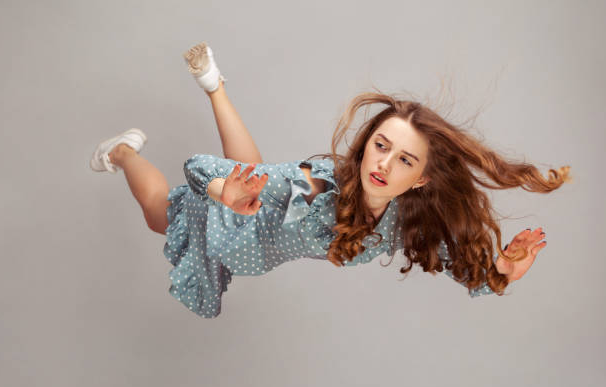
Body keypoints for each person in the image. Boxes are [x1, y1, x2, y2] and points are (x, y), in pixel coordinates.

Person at [90, 42, 572, 318]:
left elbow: (456, 264)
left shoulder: (407, 220)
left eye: (405, 161)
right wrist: (223, 194)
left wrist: (502, 272)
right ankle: (123, 150)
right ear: (366, 147)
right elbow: (197, 169)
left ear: (423, 179)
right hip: (237, 216)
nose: (383, 165)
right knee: (161, 213)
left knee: (253, 174)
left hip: (257, 218)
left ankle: (214, 85)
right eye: (380, 147)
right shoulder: (314, 185)